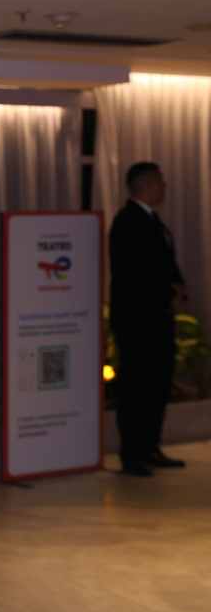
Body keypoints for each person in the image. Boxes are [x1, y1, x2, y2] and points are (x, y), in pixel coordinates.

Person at [109, 162, 187, 476]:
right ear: (150, 184)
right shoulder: (127, 222)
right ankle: (131, 454)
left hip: (158, 319)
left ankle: (150, 446)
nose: (165, 187)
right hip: (137, 321)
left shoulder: (153, 221)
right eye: (162, 182)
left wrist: (178, 289)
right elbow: (135, 271)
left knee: (157, 384)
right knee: (136, 387)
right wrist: (167, 291)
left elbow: (167, 263)